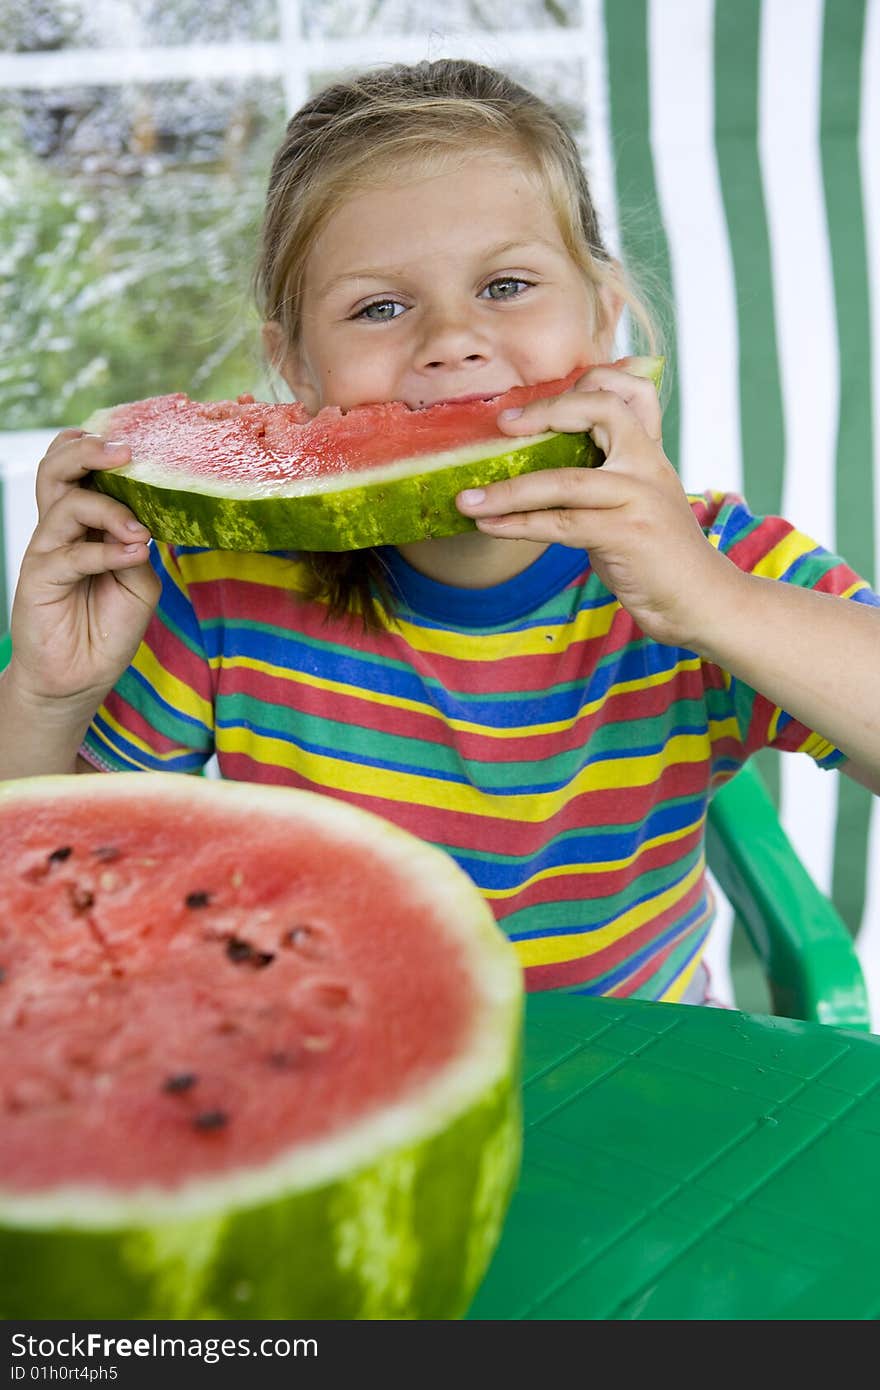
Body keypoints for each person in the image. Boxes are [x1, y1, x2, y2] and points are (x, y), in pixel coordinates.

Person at [1, 59, 878, 1005]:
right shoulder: (218, 584)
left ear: (603, 318)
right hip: (329, 1061)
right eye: (380, 307)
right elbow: (42, 888)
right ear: (294, 365)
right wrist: (49, 692)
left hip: (633, 1074)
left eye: (506, 284)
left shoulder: (712, 561)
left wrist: (716, 603)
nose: (452, 338)